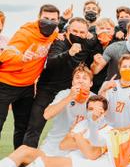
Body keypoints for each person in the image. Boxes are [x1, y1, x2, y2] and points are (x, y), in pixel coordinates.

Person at [0, 96, 116, 167]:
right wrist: (85, 144)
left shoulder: (110, 132)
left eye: (97, 109)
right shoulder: (82, 124)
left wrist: (78, 137)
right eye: (90, 109)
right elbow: (64, 145)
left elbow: (91, 154)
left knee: (43, 162)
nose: (93, 113)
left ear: (104, 112)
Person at [0, 65, 94, 167]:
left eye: (85, 78)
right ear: (72, 82)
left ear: (91, 83)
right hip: (52, 147)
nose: (80, 80)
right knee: (26, 155)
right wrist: (69, 98)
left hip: (74, 151)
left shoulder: (95, 99)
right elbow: (46, 115)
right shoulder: (64, 94)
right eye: (77, 77)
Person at [23, 17, 95, 147]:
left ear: (87, 34)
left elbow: (98, 39)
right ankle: (25, 161)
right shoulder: (59, 42)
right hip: (47, 90)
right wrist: (69, 53)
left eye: (82, 32)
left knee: (70, 126)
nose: (78, 35)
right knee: (35, 126)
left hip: (69, 91)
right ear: (67, 31)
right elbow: (50, 62)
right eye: (74, 31)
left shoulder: (88, 42)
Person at [0, 4, 60, 148]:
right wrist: (21, 57)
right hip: (5, 84)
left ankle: (19, 163)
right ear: (39, 18)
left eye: (53, 19)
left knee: (23, 127)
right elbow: (8, 52)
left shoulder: (54, 33)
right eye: (45, 18)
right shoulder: (25, 33)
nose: (49, 22)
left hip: (26, 87)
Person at [99, 54, 130, 128]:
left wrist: (124, 132)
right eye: (124, 66)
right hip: (106, 131)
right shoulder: (107, 84)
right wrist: (104, 90)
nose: (127, 69)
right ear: (119, 69)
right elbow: (99, 110)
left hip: (126, 133)